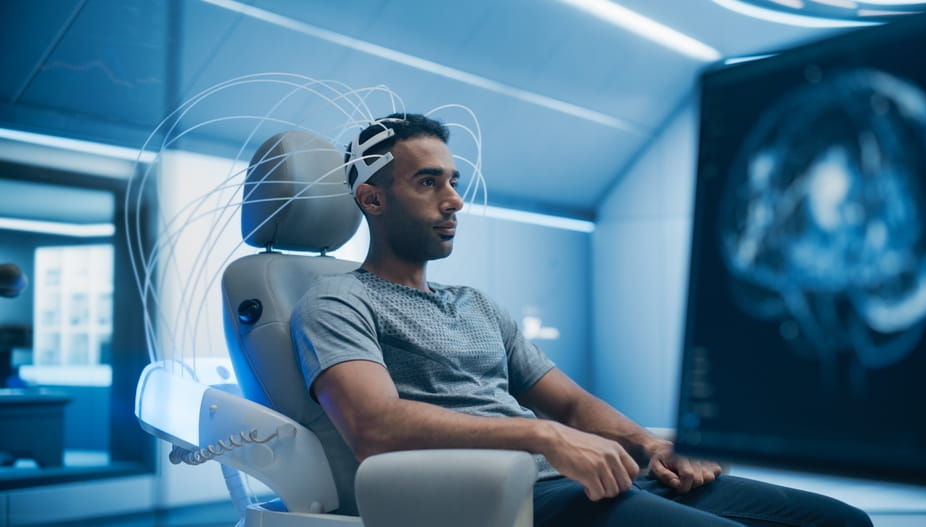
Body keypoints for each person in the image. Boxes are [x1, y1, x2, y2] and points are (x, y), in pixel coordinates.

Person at [291, 113, 873, 527]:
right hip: (503, 499)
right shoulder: (337, 302)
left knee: (841, 522)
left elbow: (569, 404)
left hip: (584, 479)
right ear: (372, 199)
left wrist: (650, 447)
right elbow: (375, 427)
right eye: (427, 182)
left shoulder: (475, 302)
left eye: (453, 181)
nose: (454, 201)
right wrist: (542, 435)